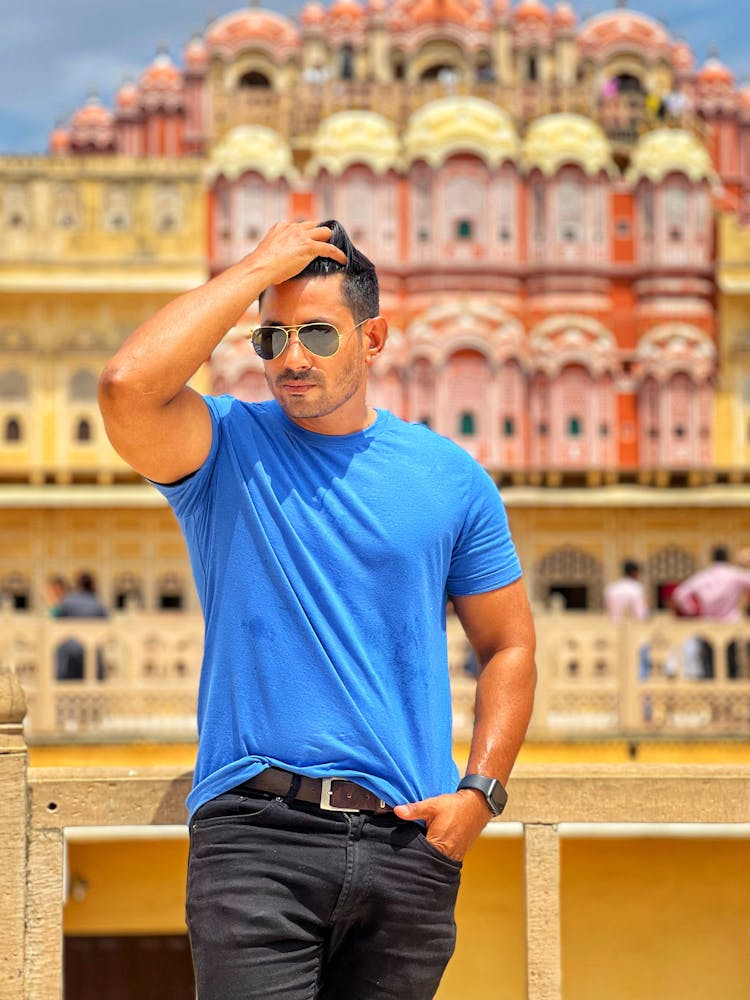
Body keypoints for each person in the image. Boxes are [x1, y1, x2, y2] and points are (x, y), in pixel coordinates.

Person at [98, 219, 537, 1000]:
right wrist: (259, 265)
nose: (291, 358)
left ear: (374, 340)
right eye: (272, 337)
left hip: (411, 846)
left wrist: (479, 796)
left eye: (318, 335)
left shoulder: (449, 477)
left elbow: (507, 645)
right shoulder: (226, 448)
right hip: (257, 837)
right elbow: (127, 386)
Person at [671, 546, 750, 679]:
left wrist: (692, 611)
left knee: (710, 665)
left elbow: (679, 594)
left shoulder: (704, 576)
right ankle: (728, 696)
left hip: (708, 625)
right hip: (731, 625)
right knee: (730, 664)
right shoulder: (735, 575)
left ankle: (714, 695)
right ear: (727, 558)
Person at [55, 571, 108, 680]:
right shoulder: (98, 604)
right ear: (92, 585)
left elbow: (58, 622)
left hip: (69, 654)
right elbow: (106, 625)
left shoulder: (67, 601)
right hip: (92, 653)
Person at [604, 559, 651, 681]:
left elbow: (609, 612)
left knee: (619, 668)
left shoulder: (611, 588)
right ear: (634, 572)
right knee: (640, 669)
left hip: (615, 633)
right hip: (636, 635)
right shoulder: (636, 588)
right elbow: (641, 615)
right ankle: (641, 699)